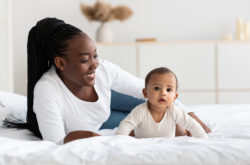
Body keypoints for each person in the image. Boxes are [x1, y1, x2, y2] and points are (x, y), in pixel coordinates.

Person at [8, 17, 210, 144]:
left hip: (106, 102)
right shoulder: (47, 90)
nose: (95, 64)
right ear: (60, 63)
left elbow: (148, 89)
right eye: (85, 60)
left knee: (162, 109)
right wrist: (76, 139)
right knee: (143, 120)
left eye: (95, 55)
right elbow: (55, 142)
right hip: (100, 120)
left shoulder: (102, 69)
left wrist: (188, 113)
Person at [116, 67, 208, 138]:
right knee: (131, 127)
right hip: (143, 141)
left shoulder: (174, 111)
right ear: (145, 93)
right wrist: (120, 141)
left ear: (175, 97)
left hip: (168, 139)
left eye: (168, 90)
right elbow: (125, 125)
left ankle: (182, 130)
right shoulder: (140, 111)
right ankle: (133, 132)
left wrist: (204, 139)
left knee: (181, 128)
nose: (163, 93)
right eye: (157, 88)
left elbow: (192, 124)